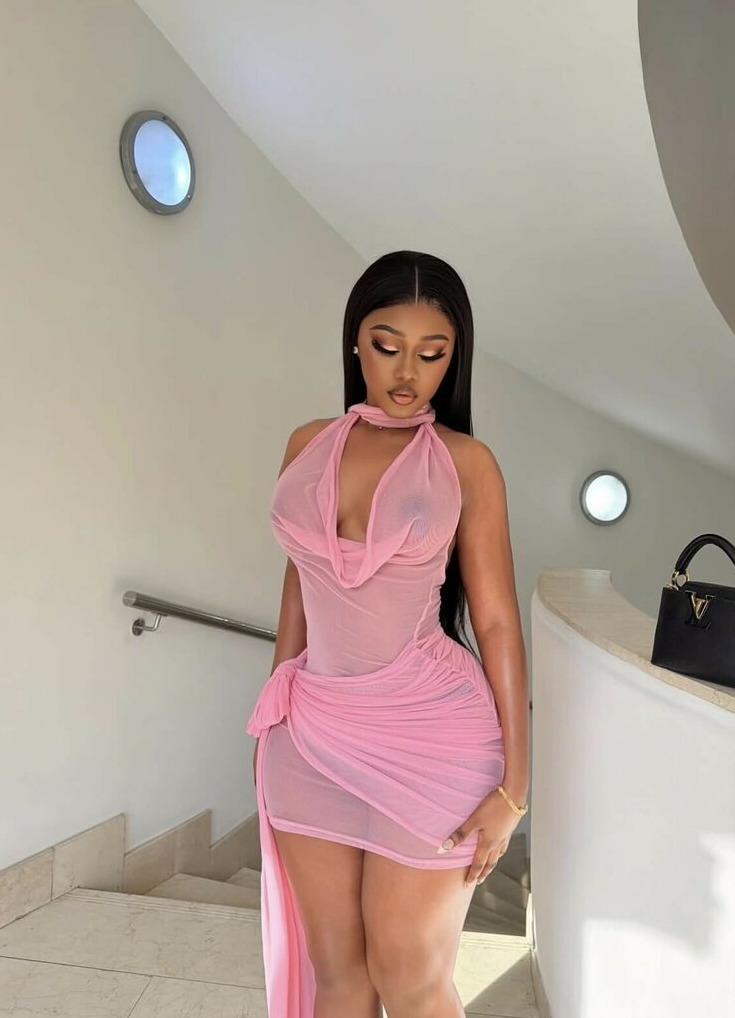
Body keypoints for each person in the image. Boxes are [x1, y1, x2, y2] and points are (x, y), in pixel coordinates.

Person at [246, 250, 529, 1018]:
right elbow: (299, 582)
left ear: (453, 358)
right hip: (307, 734)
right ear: (355, 342)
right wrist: (272, 711)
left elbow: (496, 620)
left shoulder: (466, 463)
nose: (407, 371)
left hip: (432, 737)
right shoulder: (307, 443)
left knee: (409, 978)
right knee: (337, 975)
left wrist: (516, 788)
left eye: (432, 353)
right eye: (386, 345)